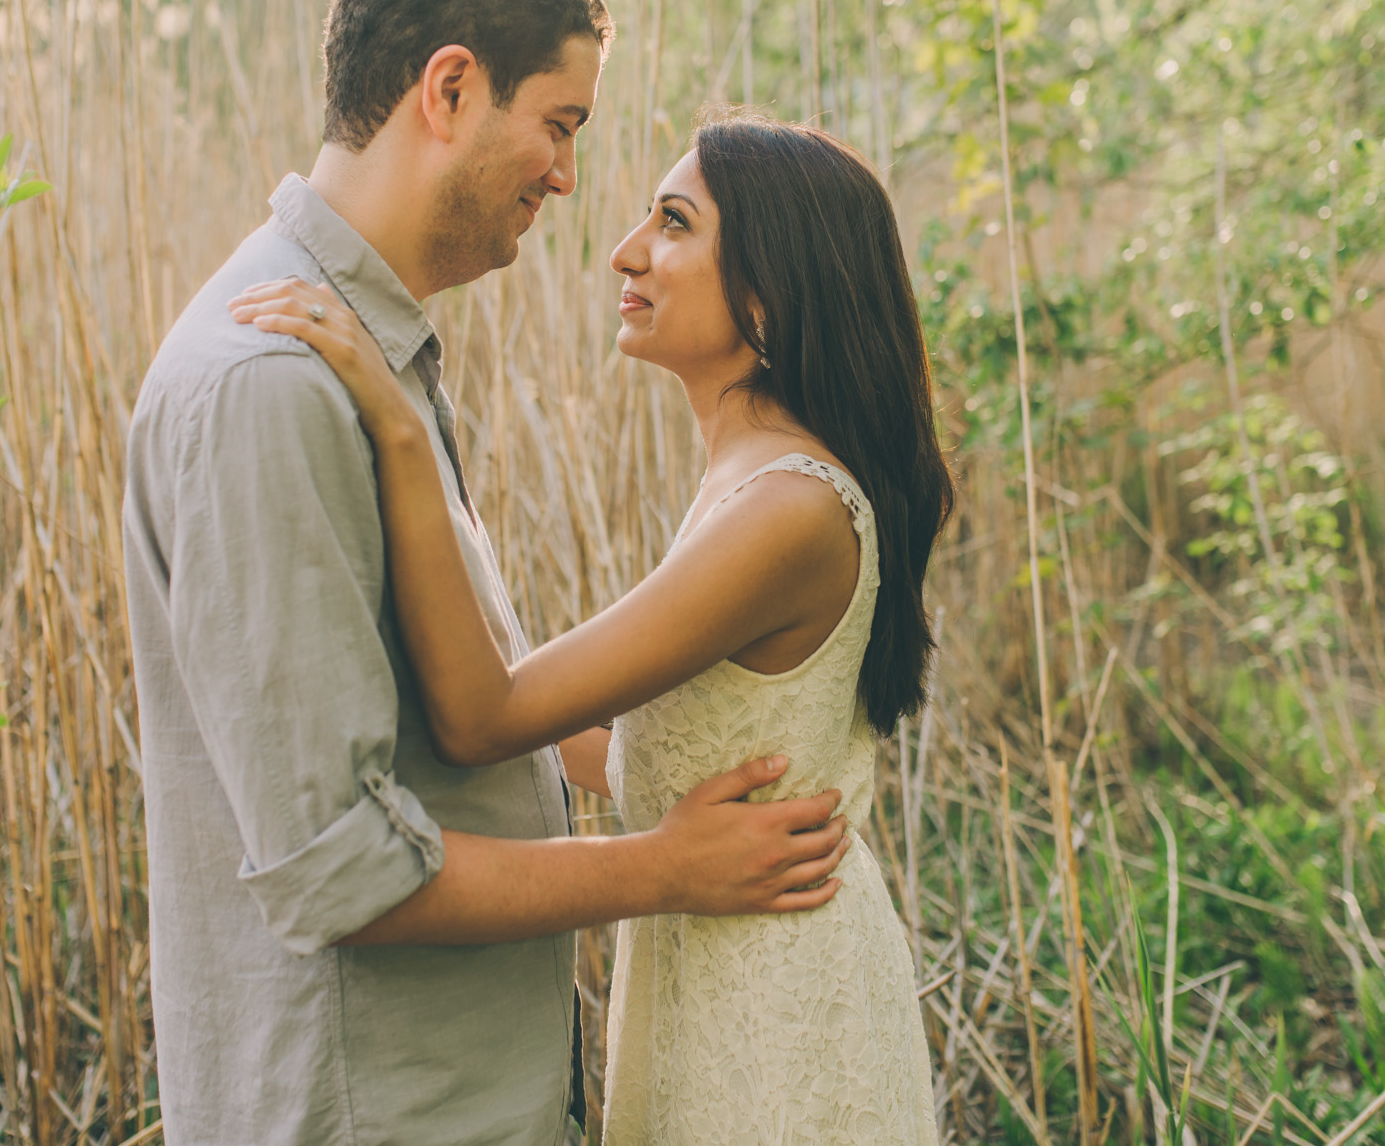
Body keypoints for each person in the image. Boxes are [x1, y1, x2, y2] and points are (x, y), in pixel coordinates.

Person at [122, 0, 853, 1145]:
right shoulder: (274, 384)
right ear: (450, 88)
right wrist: (663, 867)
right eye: (558, 123)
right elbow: (335, 866)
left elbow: (449, 724)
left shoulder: (367, 358)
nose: (569, 178)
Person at [232, 110, 954, 1142]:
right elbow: (654, 752)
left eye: (672, 222)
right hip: (720, 965)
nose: (625, 249)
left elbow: (489, 714)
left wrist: (397, 431)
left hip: (781, 1006)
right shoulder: (757, 483)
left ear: (768, 286)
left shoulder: (788, 510)